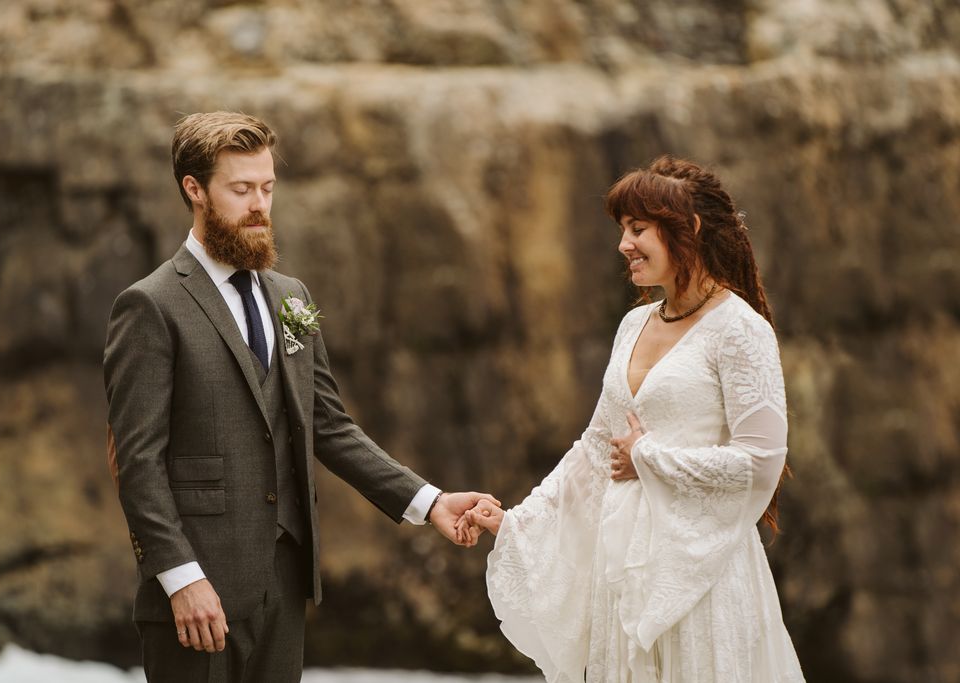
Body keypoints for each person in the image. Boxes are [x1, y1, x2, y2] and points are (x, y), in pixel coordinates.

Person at [103, 111, 497, 683]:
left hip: (284, 586)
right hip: (195, 598)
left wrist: (430, 502)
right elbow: (137, 463)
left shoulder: (290, 297)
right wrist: (180, 578)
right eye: (240, 189)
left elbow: (330, 428)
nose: (259, 204)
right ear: (195, 190)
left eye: (266, 187)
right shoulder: (150, 306)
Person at [464, 156, 805, 682]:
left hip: (701, 582)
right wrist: (516, 522)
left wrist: (651, 458)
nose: (624, 244)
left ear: (687, 229)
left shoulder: (741, 330)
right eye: (623, 229)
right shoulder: (633, 324)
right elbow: (596, 448)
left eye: (638, 229)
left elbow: (762, 461)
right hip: (622, 574)